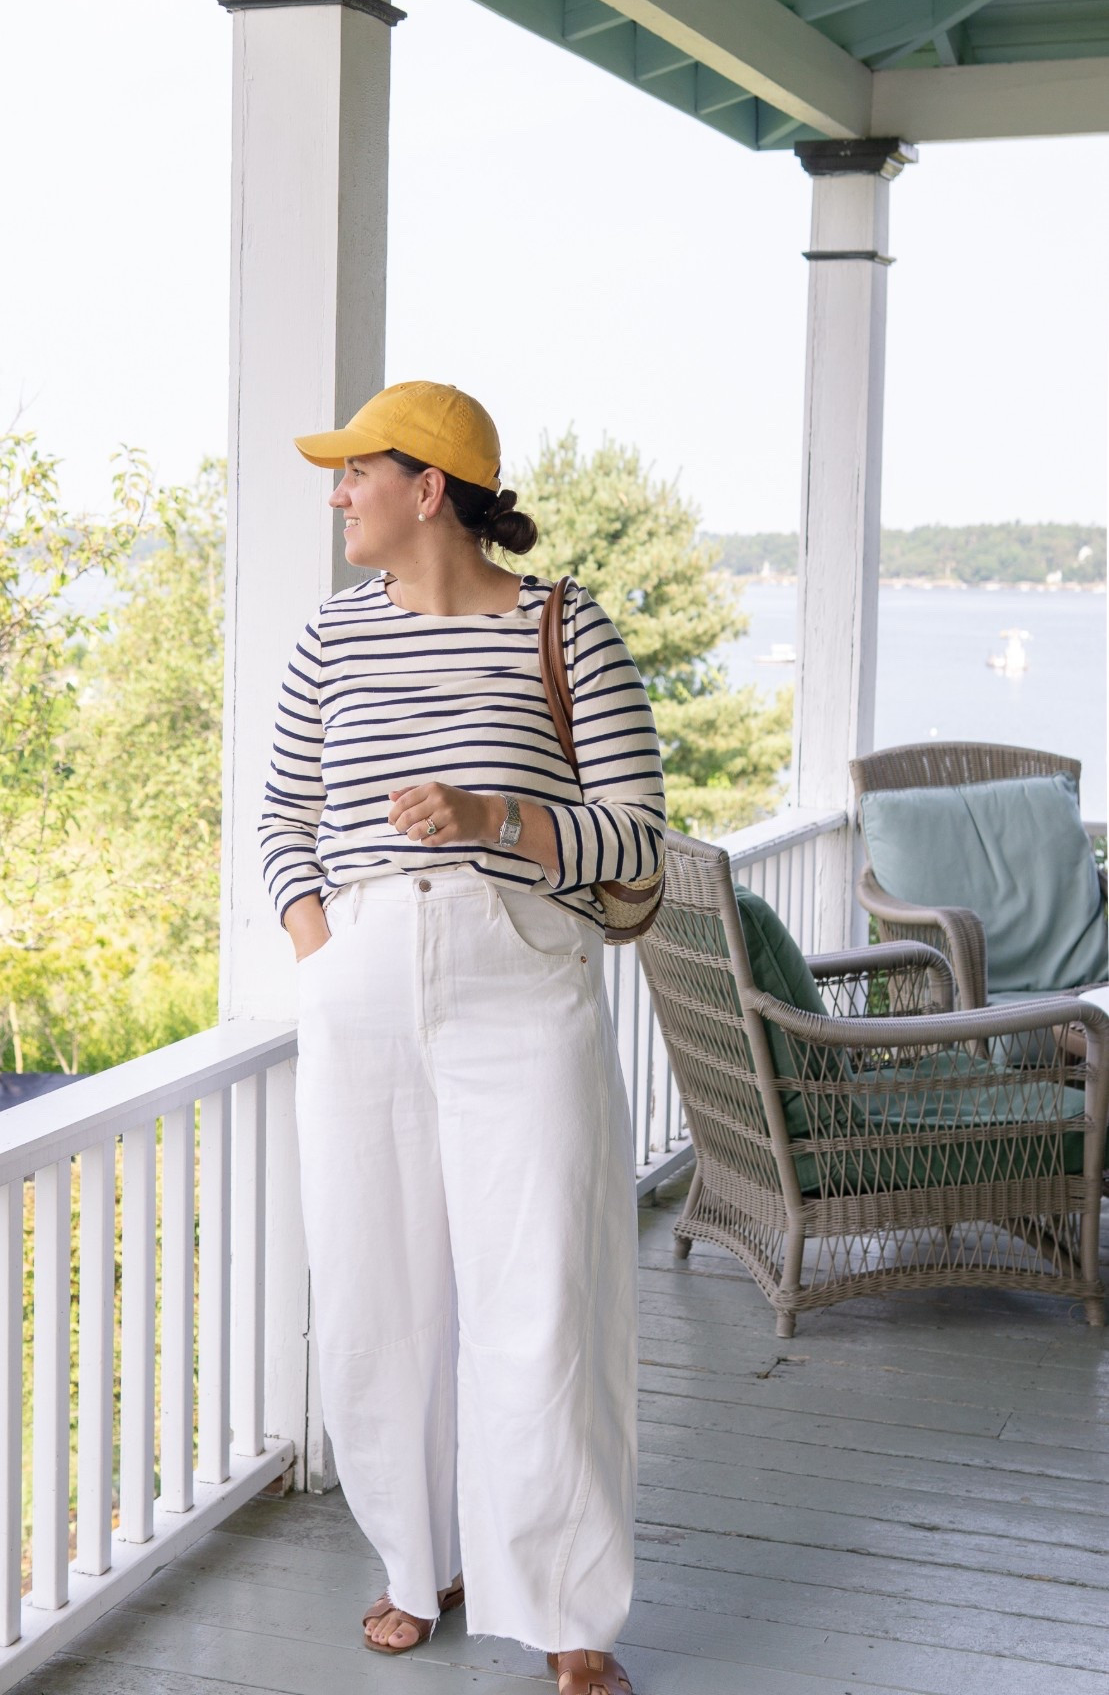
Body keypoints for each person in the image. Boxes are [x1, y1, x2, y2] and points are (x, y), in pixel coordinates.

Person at [257, 380, 665, 1695]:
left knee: (540, 1292)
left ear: (426, 489)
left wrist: (496, 817)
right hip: (363, 975)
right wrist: (324, 955)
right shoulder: (329, 638)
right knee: (378, 1291)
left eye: (353, 474)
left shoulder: (566, 628)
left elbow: (641, 840)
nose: (335, 496)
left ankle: (560, 1597)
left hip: (518, 980)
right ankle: (409, 1560)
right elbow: (280, 818)